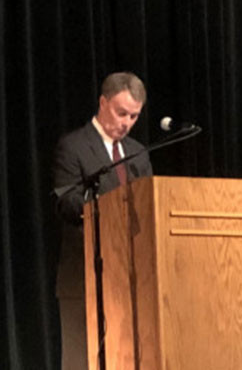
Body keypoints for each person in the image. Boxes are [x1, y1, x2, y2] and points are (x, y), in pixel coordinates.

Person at [52, 71, 153, 370]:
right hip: (84, 278)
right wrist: (106, 208)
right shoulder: (73, 146)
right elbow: (66, 203)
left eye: (134, 116)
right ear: (102, 102)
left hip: (131, 279)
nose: (126, 123)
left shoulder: (137, 153)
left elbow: (148, 206)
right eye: (121, 113)